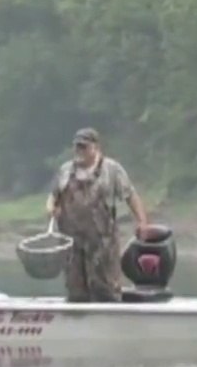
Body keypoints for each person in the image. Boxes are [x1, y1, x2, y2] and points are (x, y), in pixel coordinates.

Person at [44, 127, 149, 302]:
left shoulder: (112, 169)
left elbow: (131, 196)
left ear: (96, 147)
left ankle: (109, 324)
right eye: (77, 146)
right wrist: (50, 208)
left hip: (103, 242)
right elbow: (53, 196)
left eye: (84, 147)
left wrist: (142, 222)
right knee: (75, 291)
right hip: (71, 243)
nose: (79, 151)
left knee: (105, 289)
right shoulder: (65, 170)